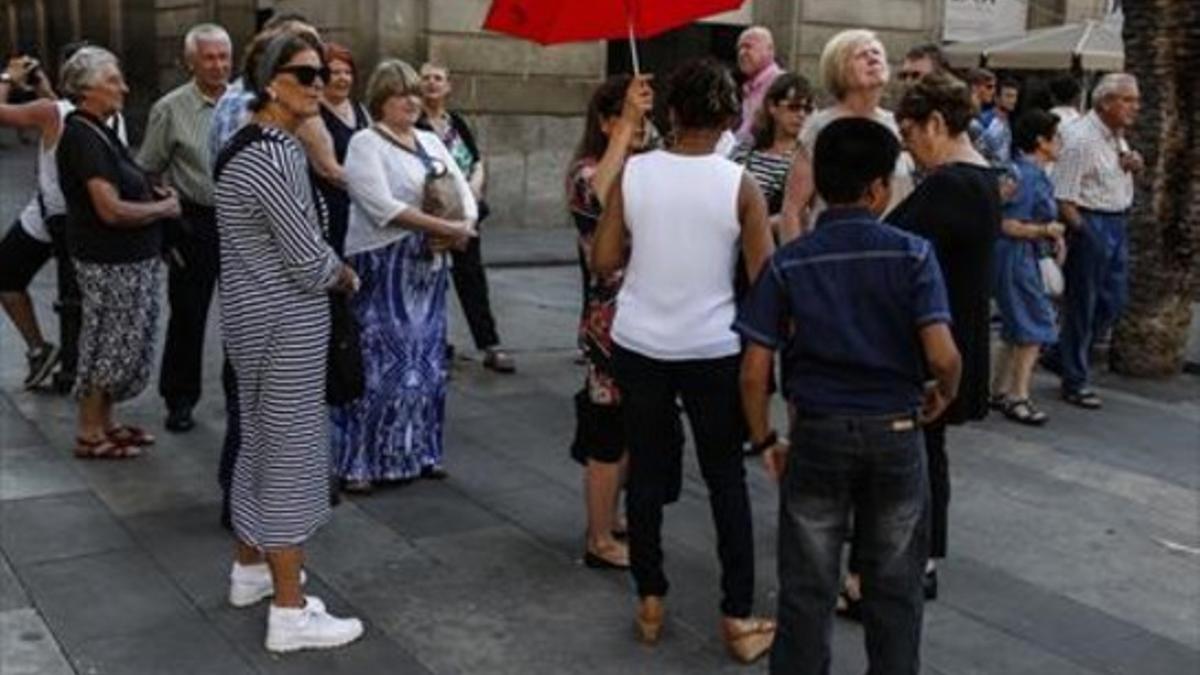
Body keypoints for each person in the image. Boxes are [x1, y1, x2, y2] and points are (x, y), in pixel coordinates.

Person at [737, 116, 961, 675]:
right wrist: (944, 394)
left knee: (807, 586)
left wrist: (765, 436)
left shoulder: (790, 262)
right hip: (896, 430)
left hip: (817, 431)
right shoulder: (913, 254)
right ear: (880, 188)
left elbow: (753, 370)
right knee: (895, 587)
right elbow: (943, 355)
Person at [592, 58, 776, 664]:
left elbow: (604, 259)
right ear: (727, 116)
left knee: (645, 471)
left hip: (640, 341)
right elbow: (766, 280)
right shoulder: (738, 183)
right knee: (725, 480)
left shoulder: (637, 174)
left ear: (672, 113)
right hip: (712, 347)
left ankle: (650, 599)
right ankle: (736, 612)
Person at [214, 30, 363, 652]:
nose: (320, 83)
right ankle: (289, 611)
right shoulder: (275, 154)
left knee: (258, 442)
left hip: (252, 322)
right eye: (305, 74)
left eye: (323, 72)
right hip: (286, 327)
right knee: (292, 461)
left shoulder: (242, 143)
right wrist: (346, 274)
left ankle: (250, 572)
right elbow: (307, 260)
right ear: (271, 80)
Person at [332, 59, 478, 492]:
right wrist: (447, 229)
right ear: (381, 99)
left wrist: (462, 226)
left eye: (416, 93)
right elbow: (380, 207)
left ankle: (421, 452)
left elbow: (464, 193)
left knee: (427, 366)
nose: (412, 102)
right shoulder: (365, 143)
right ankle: (360, 463)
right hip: (382, 268)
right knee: (376, 367)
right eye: (401, 94)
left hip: (427, 268)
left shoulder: (432, 142)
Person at [888, 71, 1000, 601]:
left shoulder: (954, 182)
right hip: (953, 333)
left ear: (936, 123)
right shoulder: (977, 179)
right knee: (928, 452)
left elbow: (894, 242)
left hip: (937, 342)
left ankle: (919, 559)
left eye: (910, 134)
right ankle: (923, 555)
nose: (909, 148)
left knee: (922, 454)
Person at [55, 47, 182, 458]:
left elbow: (123, 183)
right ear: (87, 88)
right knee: (109, 343)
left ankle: (104, 423)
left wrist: (149, 190)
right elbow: (109, 209)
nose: (124, 88)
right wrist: (163, 207)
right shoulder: (81, 135)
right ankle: (90, 432)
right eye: (113, 80)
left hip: (128, 258)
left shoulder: (98, 129)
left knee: (120, 342)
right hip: (110, 259)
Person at [566, 73, 662, 571]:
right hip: (610, 321)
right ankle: (598, 537)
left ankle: (613, 516)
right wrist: (627, 126)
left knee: (631, 426)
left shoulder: (646, 169)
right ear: (605, 123)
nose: (640, 125)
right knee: (608, 431)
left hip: (648, 313)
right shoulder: (587, 173)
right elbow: (599, 198)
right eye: (624, 117)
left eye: (644, 117)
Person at [138, 23, 232, 433]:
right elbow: (149, 170)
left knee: (245, 314)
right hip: (194, 221)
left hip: (243, 222)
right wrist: (165, 224)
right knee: (189, 314)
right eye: (208, 58)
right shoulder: (169, 108)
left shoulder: (247, 102)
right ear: (190, 62)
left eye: (223, 57)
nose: (217, 65)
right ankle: (179, 398)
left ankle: (241, 396)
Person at [1044, 74, 1141, 409]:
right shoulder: (1081, 140)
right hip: (1091, 220)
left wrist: (1132, 163)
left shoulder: (1115, 134)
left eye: (1135, 100)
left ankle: (1061, 354)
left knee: (1112, 301)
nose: (1135, 107)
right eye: (1127, 100)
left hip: (1115, 218)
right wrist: (1085, 232)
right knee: (1082, 305)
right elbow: (1063, 195)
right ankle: (1075, 378)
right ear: (1105, 102)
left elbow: (1115, 169)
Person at [417, 62, 515, 373]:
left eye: (438, 79)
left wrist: (472, 188)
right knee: (431, 280)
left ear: (448, 86)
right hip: (431, 212)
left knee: (472, 277)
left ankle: (489, 343)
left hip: (465, 212)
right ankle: (435, 343)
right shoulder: (415, 124)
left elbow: (477, 160)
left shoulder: (456, 122)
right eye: (426, 78)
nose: (432, 84)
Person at [778, 29, 914, 241]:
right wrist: (798, 264)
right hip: (833, 253)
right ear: (839, 69)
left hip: (891, 255)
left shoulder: (898, 126)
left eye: (876, 52)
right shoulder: (819, 127)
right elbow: (793, 210)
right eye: (861, 55)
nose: (872, 58)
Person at [992, 110, 1066, 425]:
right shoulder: (1029, 176)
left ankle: (999, 388)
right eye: (1056, 137)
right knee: (1034, 322)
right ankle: (1018, 395)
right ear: (1041, 141)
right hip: (1018, 256)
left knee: (1015, 325)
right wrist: (1046, 231)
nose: (1061, 143)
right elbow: (1008, 224)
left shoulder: (1021, 173)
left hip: (1017, 256)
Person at [0, 53, 70, 389]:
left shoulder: (52, 111)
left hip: (48, 217)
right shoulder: (88, 112)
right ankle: (72, 362)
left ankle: (40, 349)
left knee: (6, 276)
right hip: (81, 221)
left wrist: (8, 79)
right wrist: (42, 83)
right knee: (78, 300)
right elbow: (58, 105)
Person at [732, 72, 813, 231]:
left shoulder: (807, 159)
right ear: (772, 107)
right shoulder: (745, 151)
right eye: (794, 107)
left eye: (807, 109)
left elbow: (805, 214)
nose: (801, 115)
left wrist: (755, 227)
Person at [315, 42, 369, 255]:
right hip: (331, 207)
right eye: (335, 72)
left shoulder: (360, 110)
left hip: (361, 208)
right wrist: (372, 187)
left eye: (348, 72)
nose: (343, 78)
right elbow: (328, 169)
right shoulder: (313, 114)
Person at [734, 26, 784, 144]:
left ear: (770, 50)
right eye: (739, 48)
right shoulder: (747, 87)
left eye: (748, 47)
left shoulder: (782, 83)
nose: (742, 53)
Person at [979, 77, 1019, 166]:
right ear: (997, 98)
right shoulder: (985, 120)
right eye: (1008, 96)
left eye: (1015, 96)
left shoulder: (1010, 122)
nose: (1013, 100)